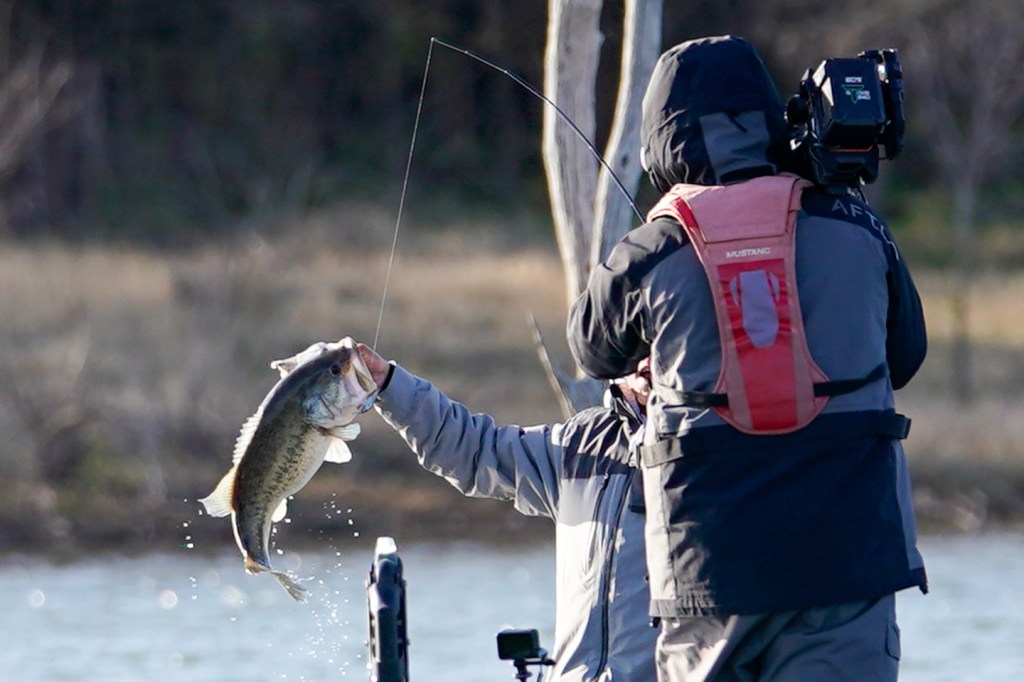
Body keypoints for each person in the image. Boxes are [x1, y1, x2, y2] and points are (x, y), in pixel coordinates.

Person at [565, 36, 928, 681]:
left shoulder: (649, 251)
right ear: (771, 120)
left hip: (708, 572)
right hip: (850, 559)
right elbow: (906, 356)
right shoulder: (860, 229)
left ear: (660, 146)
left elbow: (590, 347)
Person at [355, 342, 658, 682]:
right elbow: (477, 451)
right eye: (639, 342)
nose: (647, 359)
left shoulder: (708, 452)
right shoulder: (581, 443)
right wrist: (389, 384)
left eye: (664, 341)